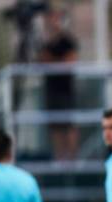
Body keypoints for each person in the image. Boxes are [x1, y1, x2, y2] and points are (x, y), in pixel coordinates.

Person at [40, 6, 79, 160]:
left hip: (65, 91)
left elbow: (69, 62)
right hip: (52, 91)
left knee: (68, 125)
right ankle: (60, 159)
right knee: (55, 126)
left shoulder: (68, 41)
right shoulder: (47, 43)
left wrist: (53, 62)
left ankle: (72, 159)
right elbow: (43, 61)